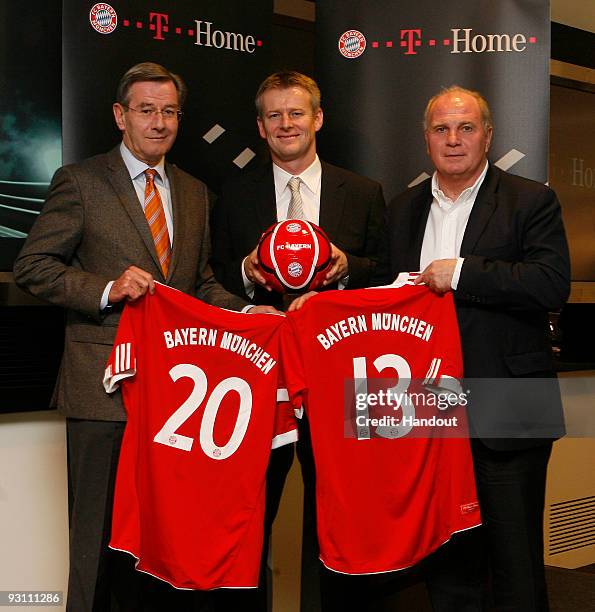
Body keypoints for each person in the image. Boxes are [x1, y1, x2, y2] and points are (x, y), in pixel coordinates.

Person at [13, 62, 275, 612]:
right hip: (102, 389)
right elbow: (33, 266)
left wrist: (258, 317)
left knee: (160, 543)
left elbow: (199, 286)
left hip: (173, 398)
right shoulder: (82, 182)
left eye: (169, 112)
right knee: (95, 542)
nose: (158, 123)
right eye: (146, 110)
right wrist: (108, 288)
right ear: (120, 116)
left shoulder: (195, 192)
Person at [386, 86, 570, 610]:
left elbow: (550, 283)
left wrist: (462, 274)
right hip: (428, 409)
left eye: (466, 128)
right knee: (449, 564)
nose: (454, 139)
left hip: (510, 404)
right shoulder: (402, 209)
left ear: (488, 135)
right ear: (426, 141)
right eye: (441, 129)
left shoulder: (530, 199)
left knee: (515, 565)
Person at [210, 70, 387, 611]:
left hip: (339, 388)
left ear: (318, 118)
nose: (286, 124)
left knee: (341, 522)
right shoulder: (231, 193)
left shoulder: (361, 192)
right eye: (274, 115)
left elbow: (387, 276)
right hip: (259, 385)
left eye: (296, 112)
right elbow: (208, 277)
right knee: (247, 518)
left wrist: (345, 268)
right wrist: (246, 272)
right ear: (260, 128)